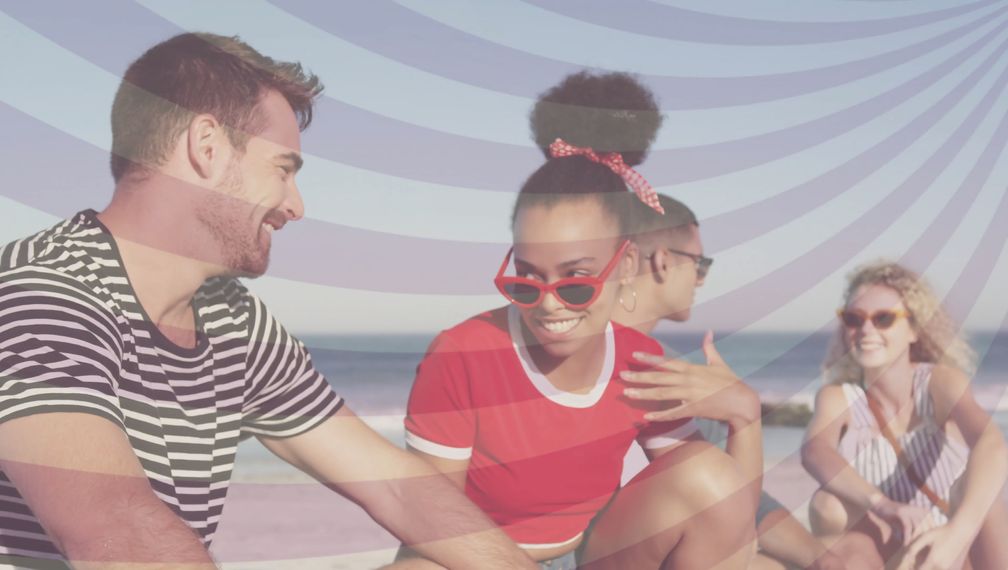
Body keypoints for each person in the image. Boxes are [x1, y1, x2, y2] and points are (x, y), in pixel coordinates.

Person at [0, 32, 535, 569]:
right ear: (206, 146)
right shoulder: (44, 293)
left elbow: (395, 485)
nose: (295, 206)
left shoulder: (233, 319)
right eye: (283, 169)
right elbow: (117, 531)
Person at [404, 72, 762, 568]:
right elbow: (428, 524)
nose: (549, 305)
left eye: (576, 282)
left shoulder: (639, 362)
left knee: (708, 474)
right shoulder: (464, 352)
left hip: (591, 556)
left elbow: (727, 519)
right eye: (526, 280)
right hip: (470, 561)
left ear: (628, 266)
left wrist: (746, 415)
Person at [612, 194, 845, 570]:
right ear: (663, 261)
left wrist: (820, 558)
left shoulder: (668, 366)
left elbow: (738, 499)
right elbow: (728, 521)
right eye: (700, 263)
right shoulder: (632, 370)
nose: (702, 278)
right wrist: (745, 414)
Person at [801, 262, 1008, 569]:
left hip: (960, 552)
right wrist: (884, 505)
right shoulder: (839, 399)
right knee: (828, 505)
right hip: (896, 555)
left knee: (977, 485)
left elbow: (992, 444)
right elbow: (815, 451)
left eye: (884, 319)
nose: (866, 330)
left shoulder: (939, 383)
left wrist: (955, 535)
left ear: (915, 329)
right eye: (854, 319)